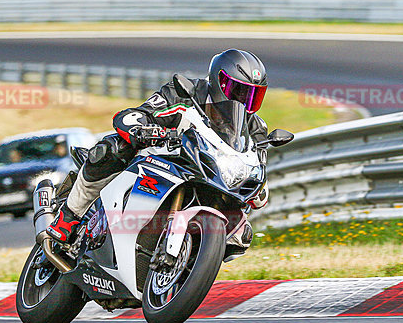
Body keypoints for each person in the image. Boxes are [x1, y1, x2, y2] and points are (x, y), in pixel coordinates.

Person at [46, 49, 271, 245]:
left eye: (252, 95)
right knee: (112, 149)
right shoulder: (186, 93)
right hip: (165, 158)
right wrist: (143, 128)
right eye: (239, 91)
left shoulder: (255, 128)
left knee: (240, 235)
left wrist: (259, 186)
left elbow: (256, 162)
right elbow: (138, 114)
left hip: (212, 176)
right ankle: (69, 215)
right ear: (219, 81)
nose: (243, 101)